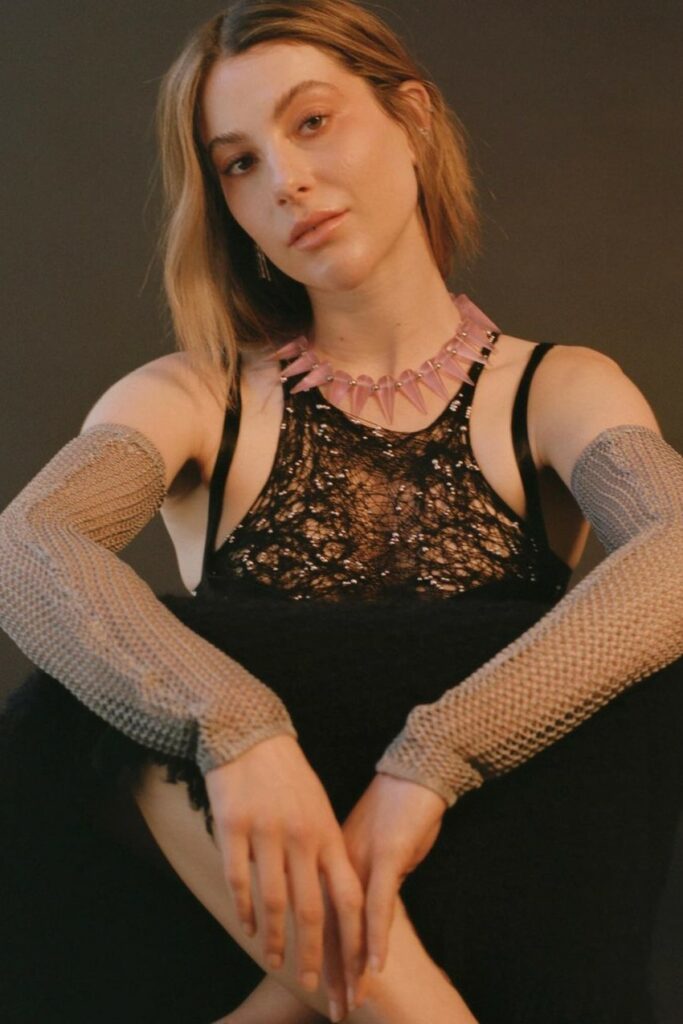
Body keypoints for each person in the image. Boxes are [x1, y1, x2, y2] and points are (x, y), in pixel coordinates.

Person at [0, 1, 682, 1022]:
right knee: (92, 692)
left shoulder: (559, 389)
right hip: (236, 909)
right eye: (238, 163)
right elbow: (25, 547)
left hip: (500, 909)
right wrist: (237, 733)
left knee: (637, 665)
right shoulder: (195, 396)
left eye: (311, 122)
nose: (284, 179)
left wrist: (428, 764)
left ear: (411, 118)